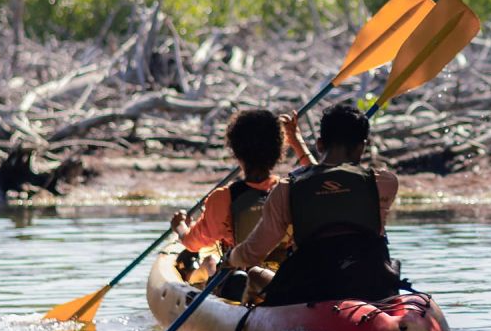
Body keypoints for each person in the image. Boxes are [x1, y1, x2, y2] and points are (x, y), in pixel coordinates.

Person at [219, 102, 404, 305]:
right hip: (373, 288)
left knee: (255, 273)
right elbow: (332, 183)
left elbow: (252, 253)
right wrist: (297, 144)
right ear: (362, 147)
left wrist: (230, 258)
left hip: (312, 291)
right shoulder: (384, 183)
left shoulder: (286, 190)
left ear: (320, 145)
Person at [170, 108, 290, 299]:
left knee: (209, 263)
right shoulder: (291, 190)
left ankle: (200, 272)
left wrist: (180, 228)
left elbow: (193, 243)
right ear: (280, 149)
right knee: (211, 262)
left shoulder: (223, 197)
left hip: (240, 283)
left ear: (235, 152)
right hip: (283, 280)